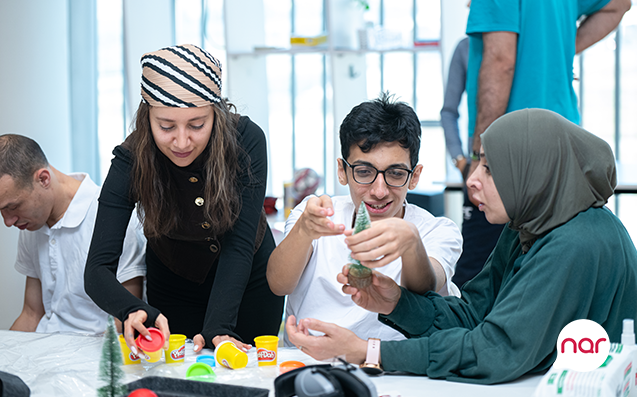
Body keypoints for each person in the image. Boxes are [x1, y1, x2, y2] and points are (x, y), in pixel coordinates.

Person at [285, 108, 637, 384]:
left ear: (534, 173)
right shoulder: (528, 226)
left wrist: (368, 351)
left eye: (490, 169)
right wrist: (397, 303)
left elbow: (495, 350)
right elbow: (474, 314)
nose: (472, 180)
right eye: (477, 163)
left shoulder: (576, 242)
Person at [84, 44, 284, 355]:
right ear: (147, 118)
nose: (181, 142)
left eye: (196, 125)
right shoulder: (130, 159)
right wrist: (132, 309)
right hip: (173, 285)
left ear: (216, 114)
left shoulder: (246, 140)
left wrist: (219, 325)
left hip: (247, 281)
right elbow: (97, 270)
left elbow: (239, 243)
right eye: (166, 126)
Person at [267, 93, 462, 346]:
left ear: (414, 176)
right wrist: (304, 231)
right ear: (342, 171)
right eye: (364, 172)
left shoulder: (437, 230)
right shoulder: (315, 214)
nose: (379, 191)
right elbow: (278, 285)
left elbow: (426, 291)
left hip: (394, 363)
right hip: (308, 359)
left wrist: (411, 242)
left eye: (395, 173)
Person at [0, 134, 145, 334]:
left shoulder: (111, 218)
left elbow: (125, 320)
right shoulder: (30, 223)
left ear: (43, 179)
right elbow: (31, 314)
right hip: (45, 346)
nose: (8, 221)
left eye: (13, 207)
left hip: (98, 346)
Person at [466, 0, 631, 167]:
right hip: (564, 135)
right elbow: (619, 4)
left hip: (512, 144)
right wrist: (560, 52)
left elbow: (500, 63)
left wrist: (480, 156)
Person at [441, 36, 504, 289]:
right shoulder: (466, 48)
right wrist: (462, 161)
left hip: (522, 172)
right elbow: (448, 111)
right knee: (472, 268)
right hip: (481, 168)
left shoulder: (534, 43)